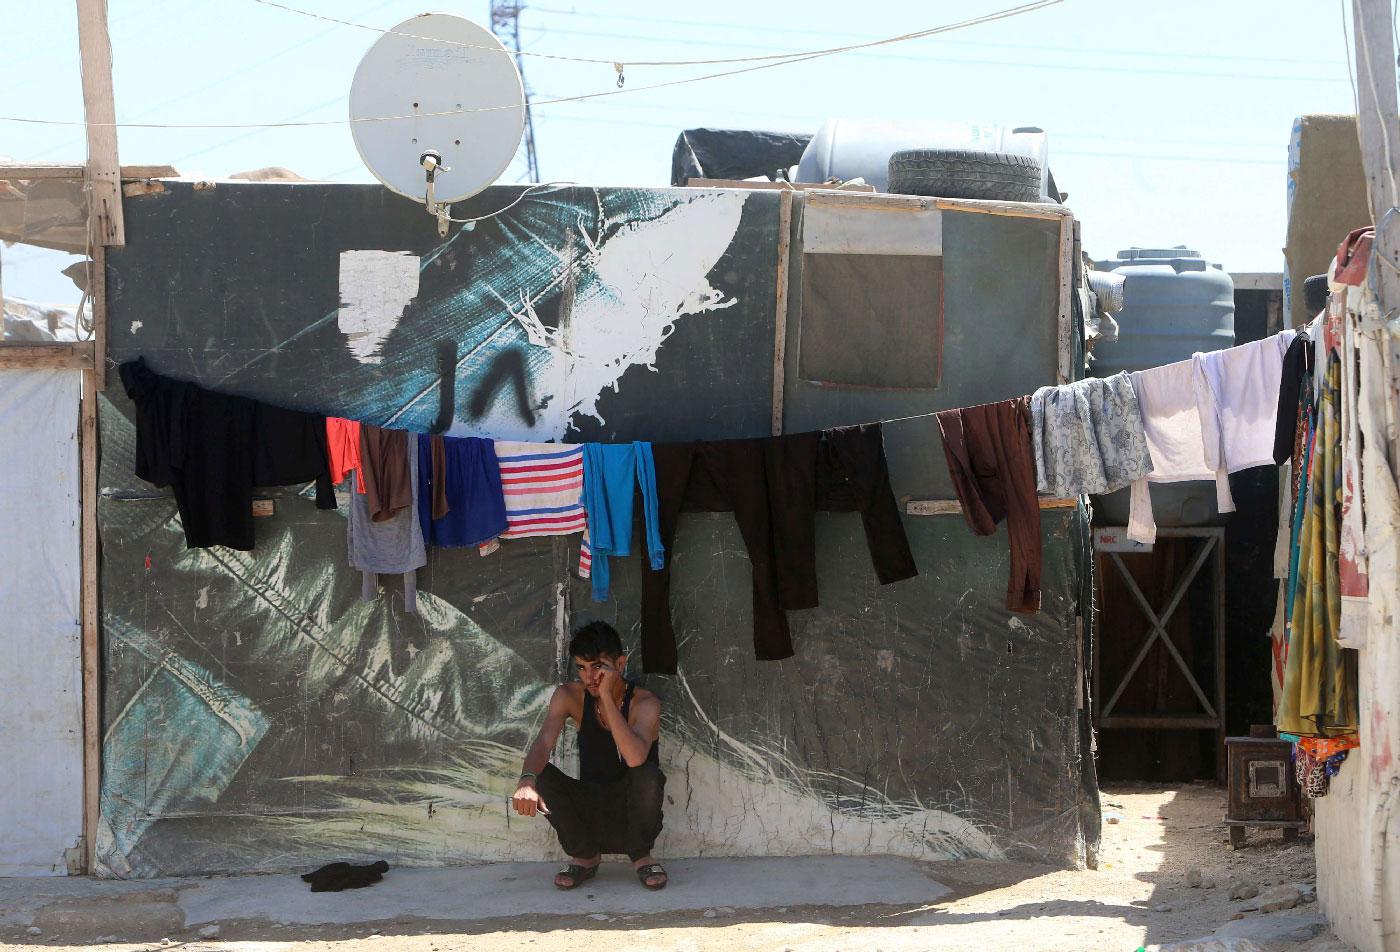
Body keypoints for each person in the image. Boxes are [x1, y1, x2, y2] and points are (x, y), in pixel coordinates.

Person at [511, 621, 668, 890]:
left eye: (597, 667)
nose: (589, 677)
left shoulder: (645, 703)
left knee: (648, 774)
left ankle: (642, 856)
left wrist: (606, 697)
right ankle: (584, 856)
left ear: (619, 665)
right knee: (540, 776)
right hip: (590, 804)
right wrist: (526, 781)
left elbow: (635, 759)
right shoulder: (569, 696)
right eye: (582, 668)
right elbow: (543, 742)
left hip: (633, 812)